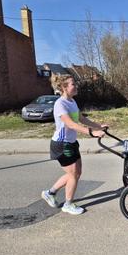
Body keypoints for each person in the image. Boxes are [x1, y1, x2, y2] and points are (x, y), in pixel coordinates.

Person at [41, 74, 106, 215]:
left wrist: (98, 126)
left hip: (71, 143)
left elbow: (81, 118)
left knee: (76, 173)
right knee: (73, 174)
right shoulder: (60, 104)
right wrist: (91, 133)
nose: (75, 86)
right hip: (62, 144)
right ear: (64, 87)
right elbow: (70, 124)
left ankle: (50, 193)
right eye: (72, 84)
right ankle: (68, 204)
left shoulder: (72, 101)